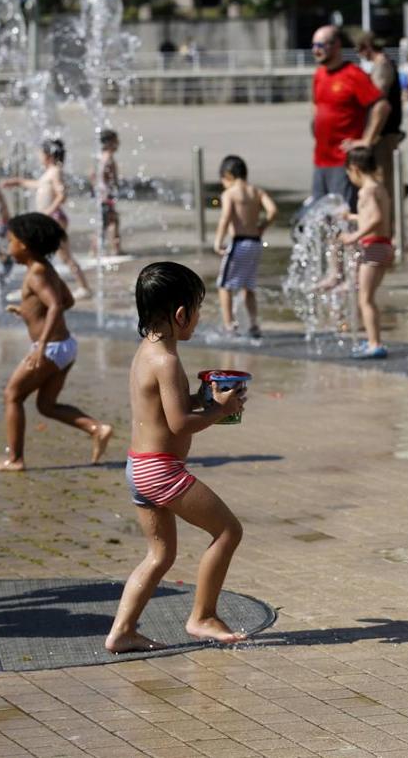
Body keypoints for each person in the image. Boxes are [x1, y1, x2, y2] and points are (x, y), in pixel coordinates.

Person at [105, 261, 247, 653]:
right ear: (181, 313)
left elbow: (167, 410)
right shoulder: (166, 361)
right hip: (161, 471)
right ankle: (202, 616)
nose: (198, 319)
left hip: (138, 467)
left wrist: (205, 399)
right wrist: (219, 410)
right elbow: (180, 423)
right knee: (228, 531)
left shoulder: (147, 351)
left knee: (160, 554)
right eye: (198, 310)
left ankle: (122, 631)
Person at [0, 213, 113, 472]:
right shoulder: (46, 268)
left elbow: (57, 305)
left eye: (10, 240)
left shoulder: (35, 273)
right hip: (67, 346)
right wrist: (28, 313)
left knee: (12, 395)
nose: (8, 246)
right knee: (46, 406)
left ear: (23, 244)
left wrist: (42, 344)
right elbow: (68, 300)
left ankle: (15, 459)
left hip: (51, 348)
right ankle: (96, 428)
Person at [310, 25, 391, 211]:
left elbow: (381, 106)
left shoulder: (353, 75)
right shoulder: (319, 74)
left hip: (344, 162)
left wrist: (366, 140)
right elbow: (316, 106)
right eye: (314, 45)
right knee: (319, 219)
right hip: (320, 159)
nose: (316, 50)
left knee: (343, 217)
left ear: (336, 45)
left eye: (321, 45)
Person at [3, 139, 93, 300]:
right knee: (37, 254)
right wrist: (18, 182)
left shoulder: (55, 171)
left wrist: (47, 213)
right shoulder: (50, 172)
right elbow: (37, 184)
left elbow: (62, 195)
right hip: (50, 220)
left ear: (49, 155)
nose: (38, 156)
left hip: (54, 220)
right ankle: (32, 288)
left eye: (40, 153)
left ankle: (83, 288)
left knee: (56, 255)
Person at [335, 147, 393, 359]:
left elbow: (376, 218)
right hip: (383, 244)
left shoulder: (366, 191)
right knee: (367, 296)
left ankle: (374, 343)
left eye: (349, 173)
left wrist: (353, 236)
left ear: (355, 169)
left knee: (365, 298)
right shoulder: (379, 188)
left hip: (373, 247)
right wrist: (352, 217)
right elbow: (374, 217)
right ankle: (372, 340)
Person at [213, 155, 277, 339]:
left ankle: (229, 326)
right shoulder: (256, 191)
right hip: (255, 243)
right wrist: (262, 226)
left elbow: (225, 217)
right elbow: (273, 210)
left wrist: (218, 241)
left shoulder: (230, 194)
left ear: (228, 175)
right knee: (248, 286)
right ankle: (254, 325)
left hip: (239, 242)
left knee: (225, 285)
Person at [354, 32, 405, 199]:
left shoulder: (382, 65)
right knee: (379, 180)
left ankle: (386, 222)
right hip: (381, 133)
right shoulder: (381, 64)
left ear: (366, 47)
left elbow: (378, 102)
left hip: (383, 134)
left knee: (383, 181)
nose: (359, 54)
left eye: (359, 50)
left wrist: (368, 138)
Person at [91, 129, 123, 257]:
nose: (118, 144)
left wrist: (97, 187)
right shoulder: (108, 157)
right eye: (116, 141)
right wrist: (108, 187)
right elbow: (103, 174)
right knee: (108, 222)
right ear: (109, 143)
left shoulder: (100, 156)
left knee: (109, 221)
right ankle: (103, 250)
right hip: (106, 196)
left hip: (102, 195)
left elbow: (92, 174)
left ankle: (107, 249)